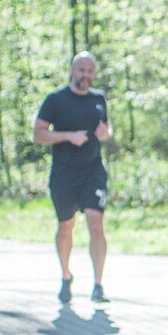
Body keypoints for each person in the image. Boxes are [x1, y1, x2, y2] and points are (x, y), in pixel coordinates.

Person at [33, 51, 113, 304]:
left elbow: (106, 131)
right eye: (81, 70)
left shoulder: (99, 98)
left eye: (90, 71)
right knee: (66, 226)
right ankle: (66, 277)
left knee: (96, 223)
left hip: (93, 171)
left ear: (94, 73)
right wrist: (68, 136)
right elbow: (38, 134)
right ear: (72, 70)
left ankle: (98, 286)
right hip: (64, 173)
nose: (85, 76)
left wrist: (105, 134)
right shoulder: (56, 100)